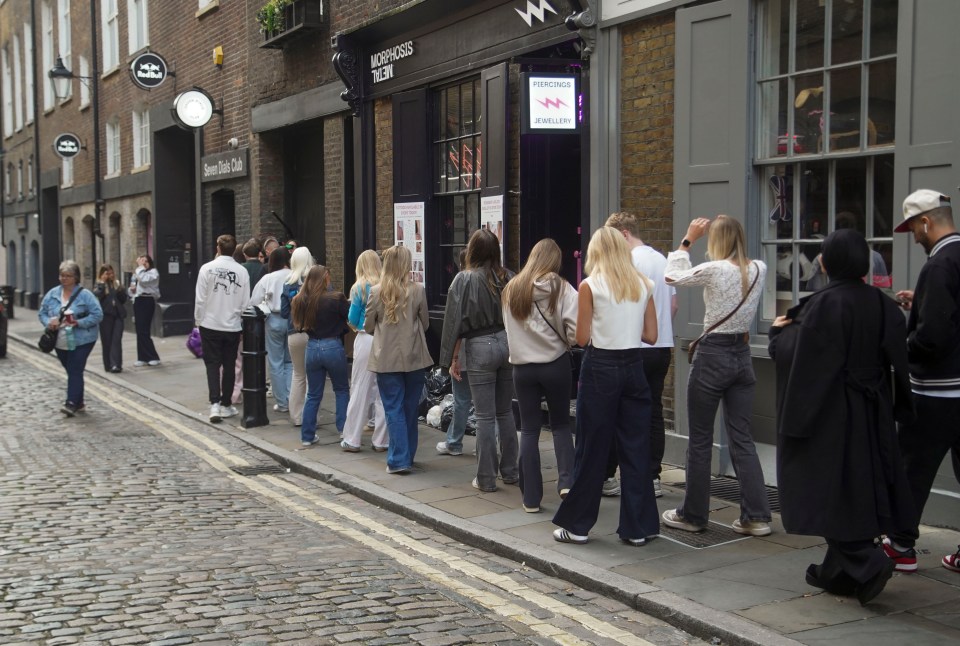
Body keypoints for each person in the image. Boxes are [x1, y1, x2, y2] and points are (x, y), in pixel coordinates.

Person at [768, 229, 915, 605]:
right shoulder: (882, 303)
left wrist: (776, 335)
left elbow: (799, 358)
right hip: (872, 409)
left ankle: (866, 562)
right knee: (859, 488)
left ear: (826, 262)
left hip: (833, 413)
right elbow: (898, 352)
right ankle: (838, 573)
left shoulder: (821, 306)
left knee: (828, 489)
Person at [662, 215, 772, 536]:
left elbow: (671, 277)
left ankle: (693, 516)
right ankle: (757, 516)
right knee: (742, 437)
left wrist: (687, 240)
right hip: (741, 355)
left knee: (699, 439)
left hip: (712, 356)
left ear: (718, 240)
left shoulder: (715, 269)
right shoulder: (759, 269)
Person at [551, 227, 659, 546]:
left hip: (601, 367)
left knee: (591, 447)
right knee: (636, 449)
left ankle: (579, 526)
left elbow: (582, 338)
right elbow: (651, 335)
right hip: (634, 367)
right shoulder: (644, 284)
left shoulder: (590, 286)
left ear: (597, 252)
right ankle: (638, 529)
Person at [883, 189, 960, 575]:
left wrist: (901, 347)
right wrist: (923, 302)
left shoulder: (939, 264)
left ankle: (900, 547)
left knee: (911, 468)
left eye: (914, 227)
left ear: (926, 221)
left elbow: (932, 339)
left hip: (937, 392)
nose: (913, 235)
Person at [604, 212, 678, 498]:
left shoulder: (627, 262)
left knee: (619, 412)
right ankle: (652, 477)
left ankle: (609, 475)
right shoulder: (663, 260)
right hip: (661, 348)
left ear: (623, 234)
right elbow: (673, 307)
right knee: (653, 413)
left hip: (633, 347)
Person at [440, 229, 520, 492]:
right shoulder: (508, 276)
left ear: (472, 251)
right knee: (505, 411)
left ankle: (486, 479)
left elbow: (453, 323)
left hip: (479, 347)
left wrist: (450, 358)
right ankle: (511, 472)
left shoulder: (463, 280)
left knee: (485, 417)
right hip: (506, 343)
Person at [502, 239, 578, 513]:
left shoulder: (512, 289)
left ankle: (531, 498)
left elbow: (509, 330)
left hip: (523, 369)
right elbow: (575, 330)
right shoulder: (562, 288)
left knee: (530, 429)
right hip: (555, 365)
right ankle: (567, 482)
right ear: (554, 261)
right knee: (560, 425)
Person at [365, 245, 432, 474]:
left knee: (393, 409)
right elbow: (425, 323)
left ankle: (398, 460)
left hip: (386, 358)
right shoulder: (418, 290)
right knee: (410, 409)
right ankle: (407, 456)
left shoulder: (376, 291)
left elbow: (368, 326)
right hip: (414, 357)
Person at [291, 265, 350, 447]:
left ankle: (307, 436)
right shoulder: (336, 298)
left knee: (313, 394)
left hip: (312, 347)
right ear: (325, 278)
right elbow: (349, 317)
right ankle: (344, 430)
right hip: (332, 346)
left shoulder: (300, 299)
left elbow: (298, 326)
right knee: (341, 390)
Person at [195, 234, 250, 423]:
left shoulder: (206, 269)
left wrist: (198, 321)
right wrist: (242, 325)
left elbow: (200, 300)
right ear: (234, 249)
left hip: (209, 325)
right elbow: (245, 303)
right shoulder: (241, 272)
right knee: (229, 366)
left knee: (212, 365)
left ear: (218, 248)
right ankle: (226, 404)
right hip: (232, 326)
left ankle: (215, 405)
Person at [39, 260, 103, 416]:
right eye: (62, 275)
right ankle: (79, 401)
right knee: (73, 371)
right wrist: (49, 323)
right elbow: (42, 313)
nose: (64, 279)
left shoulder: (85, 295)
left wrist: (78, 322)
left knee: (74, 369)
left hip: (82, 339)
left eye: (68, 276)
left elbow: (98, 314)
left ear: (76, 277)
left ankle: (71, 403)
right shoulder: (52, 294)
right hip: (59, 340)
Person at [341, 250, 388, 452]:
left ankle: (352, 438)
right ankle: (382, 441)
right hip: (385, 339)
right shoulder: (386, 286)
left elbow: (352, 318)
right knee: (384, 391)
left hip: (365, 338)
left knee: (360, 388)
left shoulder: (359, 287)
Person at [436, 249, 474, 457]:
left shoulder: (461, 284)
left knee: (461, 399)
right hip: (492, 350)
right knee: (492, 405)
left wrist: (454, 357)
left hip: (466, 351)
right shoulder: (491, 281)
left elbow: (456, 326)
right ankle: (492, 446)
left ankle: (454, 442)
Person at [251, 247, 292, 413]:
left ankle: (282, 403)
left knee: (276, 363)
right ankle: (292, 399)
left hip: (273, 321)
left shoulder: (267, 278)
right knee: (291, 363)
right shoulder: (295, 276)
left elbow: (254, 302)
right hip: (292, 321)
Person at [281, 246, 316, 426]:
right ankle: (310, 418)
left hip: (294, 333)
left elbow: (283, 312)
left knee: (298, 374)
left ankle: (297, 417)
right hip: (314, 334)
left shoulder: (288, 283)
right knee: (312, 377)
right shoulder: (317, 280)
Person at [93, 263, 128, 373]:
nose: (110, 275)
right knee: (107, 341)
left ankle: (116, 364)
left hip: (118, 315)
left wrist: (119, 289)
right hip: (106, 316)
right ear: (102, 274)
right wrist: (103, 283)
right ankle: (108, 364)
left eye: (111, 273)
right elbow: (98, 294)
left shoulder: (116, 283)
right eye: (107, 273)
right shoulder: (99, 284)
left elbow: (123, 299)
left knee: (116, 340)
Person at [130, 254, 161, 367]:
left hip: (147, 300)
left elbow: (144, 280)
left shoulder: (153, 272)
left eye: (146, 262)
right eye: (142, 262)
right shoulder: (138, 273)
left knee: (144, 330)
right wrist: (132, 290)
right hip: (138, 300)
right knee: (139, 330)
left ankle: (153, 357)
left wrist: (140, 267)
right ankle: (142, 357)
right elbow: (133, 287)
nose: (144, 264)